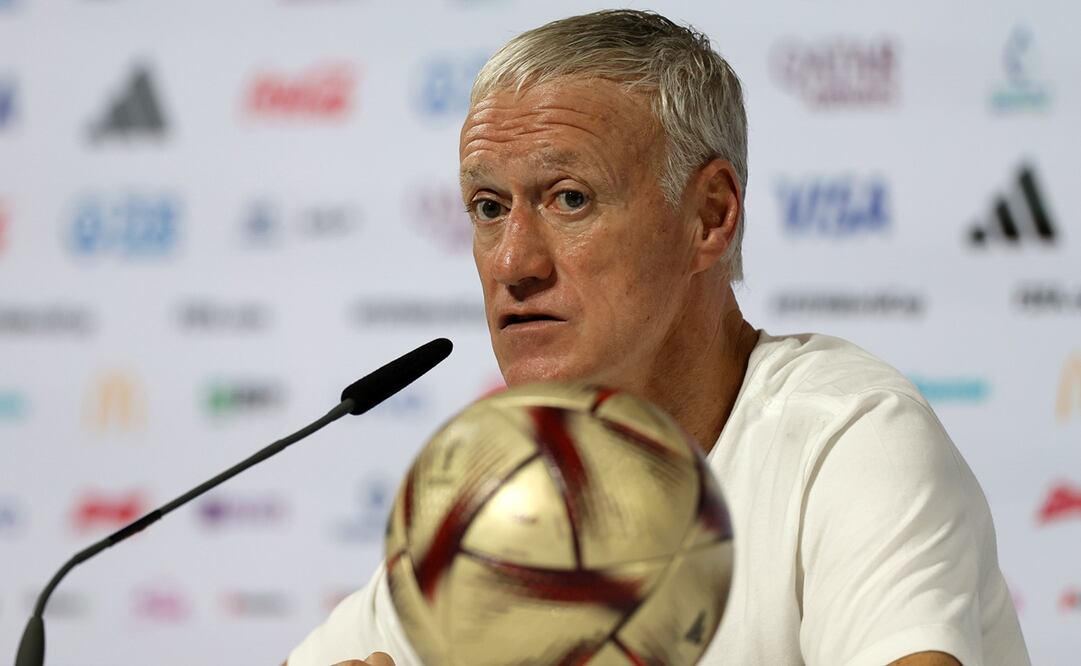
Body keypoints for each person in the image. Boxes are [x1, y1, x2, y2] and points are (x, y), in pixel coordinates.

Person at [286, 10, 1029, 666]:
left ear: (708, 216)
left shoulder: (847, 439)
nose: (511, 261)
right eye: (486, 207)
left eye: (568, 198)